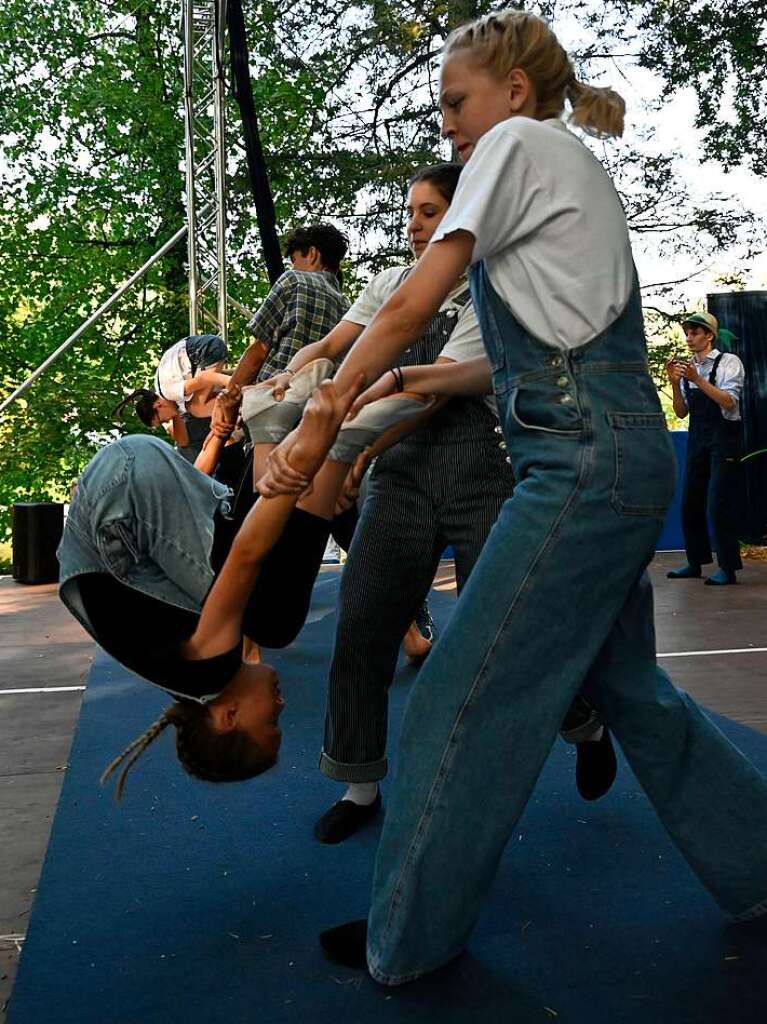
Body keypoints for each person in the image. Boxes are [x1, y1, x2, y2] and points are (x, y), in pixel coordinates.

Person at [260, 7, 767, 984]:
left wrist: (323, 408)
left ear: (513, 91)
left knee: (459, 691)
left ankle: (405, 942)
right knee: (626, 690)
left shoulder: (516, 143)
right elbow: (461, 351)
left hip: (577, 461)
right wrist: (359, 389)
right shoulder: (552, 172)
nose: (446, 122)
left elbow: (414, 295)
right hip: (603, 455)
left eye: (454, 101)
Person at [265, 162, 615, 847]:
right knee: (362, 622)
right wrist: (285, 376)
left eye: (428, 212)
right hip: (400, 476)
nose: (413, 225)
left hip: (479, 466)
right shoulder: (391, 286)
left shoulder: (494, 291)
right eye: (410, 213)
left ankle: (582, 722)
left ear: (464, 218)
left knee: (514, 630)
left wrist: (334, 447)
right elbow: (337, 348)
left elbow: (425, 394)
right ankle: (358, 781)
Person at [210, 224, 350, 441]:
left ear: (312, 254)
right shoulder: (349, 310)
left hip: (275, 408)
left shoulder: (293, 280)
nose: (293, 267)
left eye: (294, 260)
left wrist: (228, 398)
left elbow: (258, 352)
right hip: (321, 421)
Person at [666, 311, 745, 585]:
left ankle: (728, 567)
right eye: (687, 333)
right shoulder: (689, 368)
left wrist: (698, 380)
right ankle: (695, 561)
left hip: (724, 439)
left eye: (695, 332)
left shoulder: (728, 362)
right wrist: (676, 384)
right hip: (698, 439)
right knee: (690, 502)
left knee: (717, 504)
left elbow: (729, 403)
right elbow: (680, 412)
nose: (689, 338)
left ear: (709, 335)